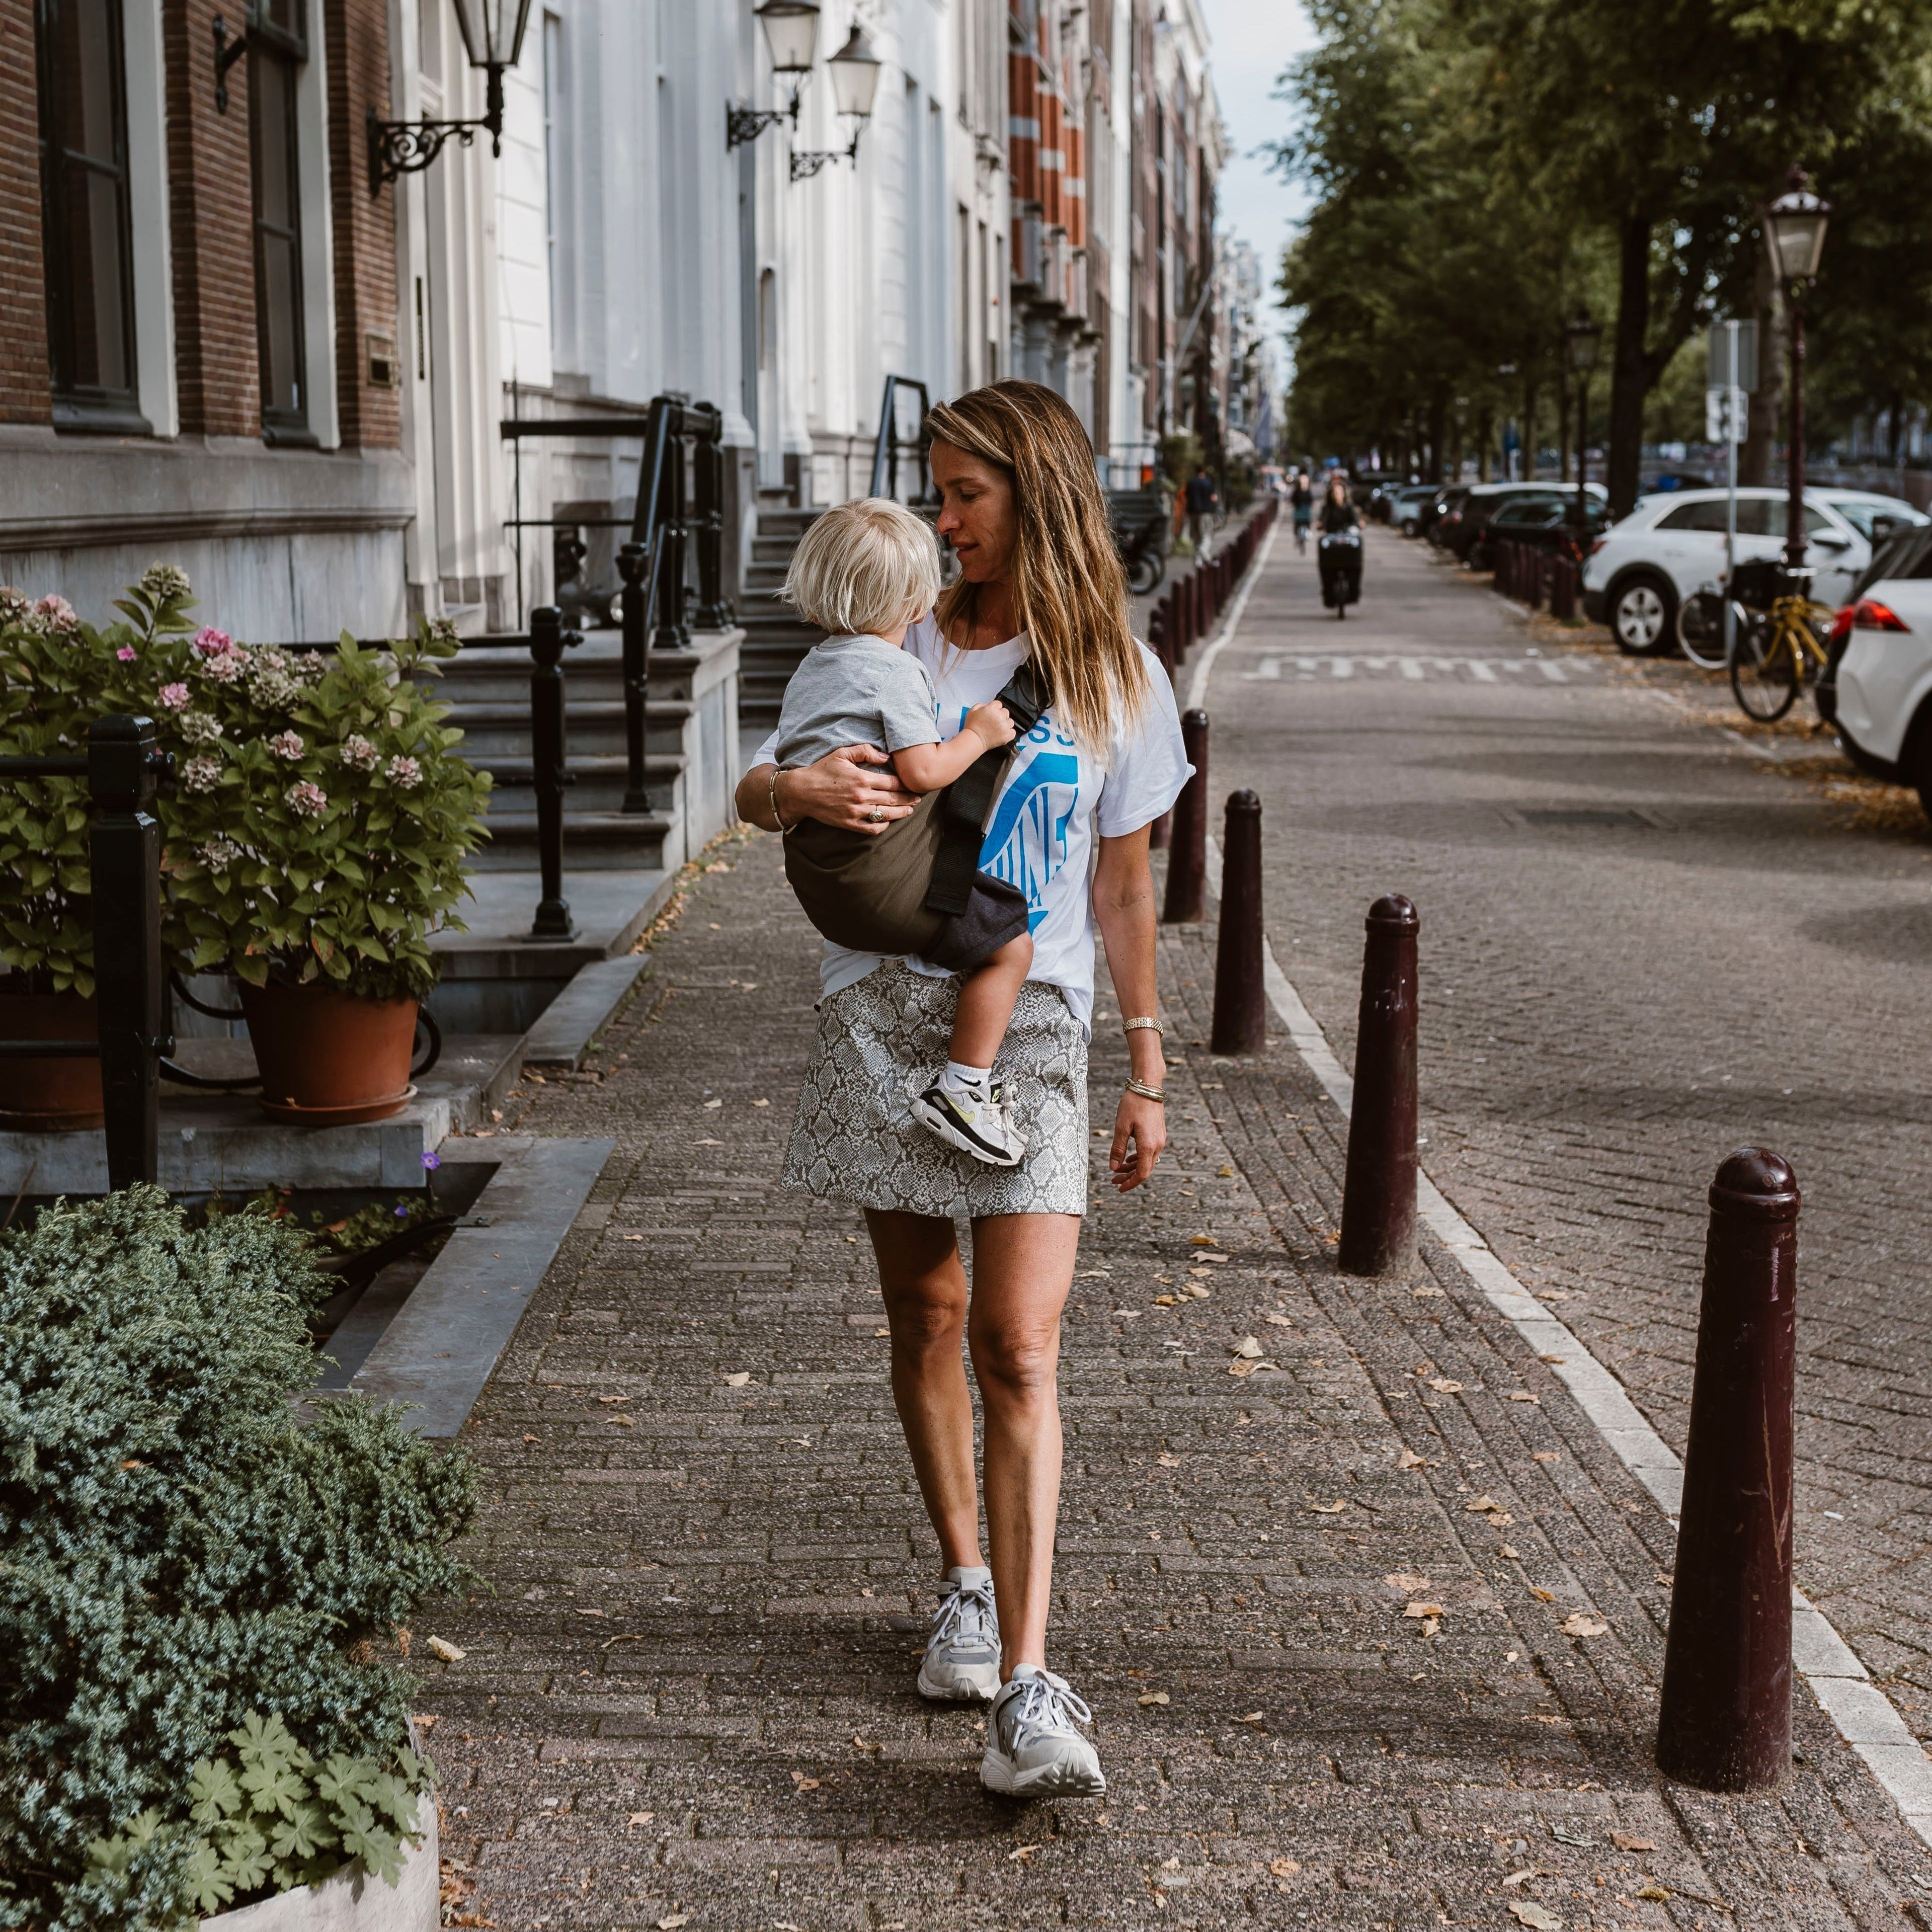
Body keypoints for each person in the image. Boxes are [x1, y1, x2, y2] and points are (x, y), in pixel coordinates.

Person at [736, 380, 1190, 1799]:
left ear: (1035, 498)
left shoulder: (1112, 673)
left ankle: (1033, 1685)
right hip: (884, 1007)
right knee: (925, 1311)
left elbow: (1125, 888)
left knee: (1020, 1343)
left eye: (964, 495)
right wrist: (794, 797)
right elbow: (758, 782)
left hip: (1030, 1020)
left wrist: (1147, 1067)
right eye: (934, 493)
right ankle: (965, 1586)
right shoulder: (897, 633)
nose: (942, 520)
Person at [769, 497, 1034, 1166]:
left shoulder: (813, 666)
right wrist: (980, 734)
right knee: (1011, 943)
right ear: (917, 601)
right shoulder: (895, 670)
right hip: (881, 884)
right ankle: (964, 1088)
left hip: (823, 884)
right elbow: (923, 770)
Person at [1183, 465, 1219, 555]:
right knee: (1207, 534)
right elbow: (1214, 498)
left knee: (1196, 536)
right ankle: (1203, 551)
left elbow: (1186, 497)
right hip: (1205, 512)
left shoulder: (1191, 483)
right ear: (1203, 472)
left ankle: (1198, 558)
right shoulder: (1208, 483)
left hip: (1192, 512)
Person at [1290, 469, 1314, 553]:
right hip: (1299, 510)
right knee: (1297, 525)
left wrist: (1311, 504)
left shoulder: (1308, 491)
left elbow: (1311, 500)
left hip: (1306, 510)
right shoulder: (1297, 491)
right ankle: (1297, 538)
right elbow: (1293, 499)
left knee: (1308, 523)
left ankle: (1307, 534)